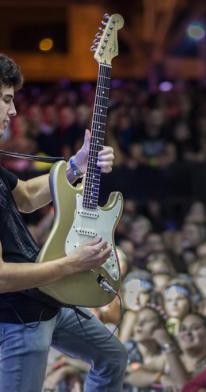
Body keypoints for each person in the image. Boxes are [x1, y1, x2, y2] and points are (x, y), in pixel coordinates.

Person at [0, 53, 127, 391]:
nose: (13, 111)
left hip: (44, 299)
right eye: (6, 99)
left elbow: (25, 196)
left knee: (113, 358)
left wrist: (78, 164)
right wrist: (71, 265)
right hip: (16, 319)